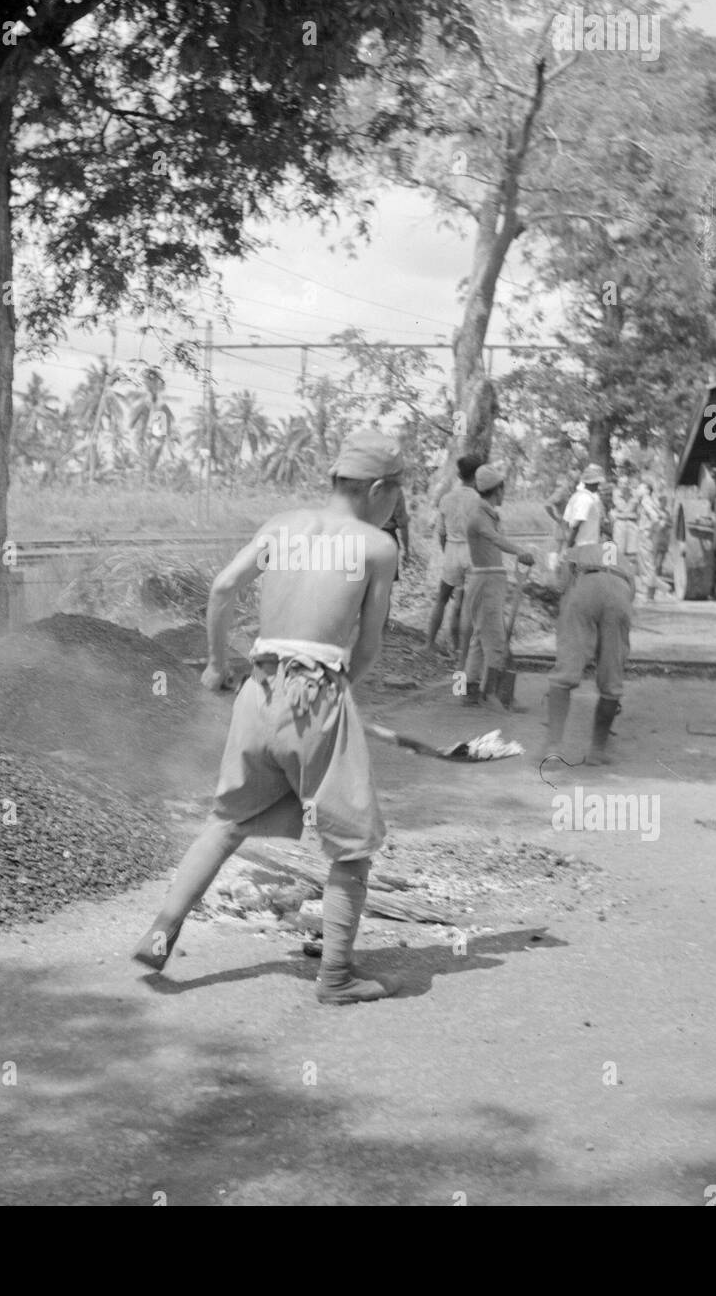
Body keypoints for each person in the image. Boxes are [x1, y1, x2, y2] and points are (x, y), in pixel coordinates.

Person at [133, 428, 406, 1005]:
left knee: (227, 821)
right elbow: (371, 642)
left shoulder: (282, 526)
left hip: (256, 692)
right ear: (380, 489)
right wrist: (337, 693)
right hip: (316, 698)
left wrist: (215, 665)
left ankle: (161, 934)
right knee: (352, 846)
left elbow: (222, 587)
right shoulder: (377, 548)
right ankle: (336, 978)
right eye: (397, 495)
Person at [544, 480, 635, 766]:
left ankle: (553, 749)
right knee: (611, 681)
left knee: (566, 671)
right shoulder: (620, 556)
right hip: (619, 592)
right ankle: (597, 750)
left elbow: (563, 590)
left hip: (584, 587)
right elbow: (629, 595)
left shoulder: (577, 550)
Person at [462, 463, 535, 712]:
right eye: (504, 489)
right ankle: (495, 696)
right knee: (495, 641)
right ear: (498, 489)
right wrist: (521, 551)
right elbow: (495, 539)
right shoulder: (479, 516)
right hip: (486, 581)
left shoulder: (486, 513)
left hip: (488, 579)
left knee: (480, 636)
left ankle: (471, 690)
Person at [423, 454, 484, 657]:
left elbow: (441, 533)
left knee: (442, 598)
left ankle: (429, 644)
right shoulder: (479, 501)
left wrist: (447, 551)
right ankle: (460, 650)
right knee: (465, 605)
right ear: (477, 477)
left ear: (459, 474)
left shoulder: (447, 498)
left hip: (452, 549)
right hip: (472, 552)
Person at [559, 463, 606, 590]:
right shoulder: (586, 500)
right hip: (586, 547)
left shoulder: (576, 497)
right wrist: (568, 547)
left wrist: (567, 545)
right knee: (587, 583)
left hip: (579, 547)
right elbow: (576, 526)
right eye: (597, 482)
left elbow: (565, 522)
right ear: (593, 483)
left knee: (577, 582)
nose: (598, 485)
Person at [635, 478, 666, 603]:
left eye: (640, 488)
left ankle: (648, 593)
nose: (638, 490)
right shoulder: (652, 501)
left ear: (647, 490)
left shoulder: (645, 501)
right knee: (650, 563)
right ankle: (650, 593)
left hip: (646, 535)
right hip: (651, 535)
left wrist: (650, 530)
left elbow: (655, 518)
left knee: (646, 563)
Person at [610, 468, 640, 577]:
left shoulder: (634, 493)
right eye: (621, 483)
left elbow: (633, 506)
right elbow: (622, 507)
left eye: (626, 483)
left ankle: (630, 574)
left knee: (632, 551)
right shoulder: (616, 493)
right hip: (621, 522)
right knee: (619, 549)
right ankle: (617, 573)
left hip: (632, 523)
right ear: (618, 484)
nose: (624, 485)